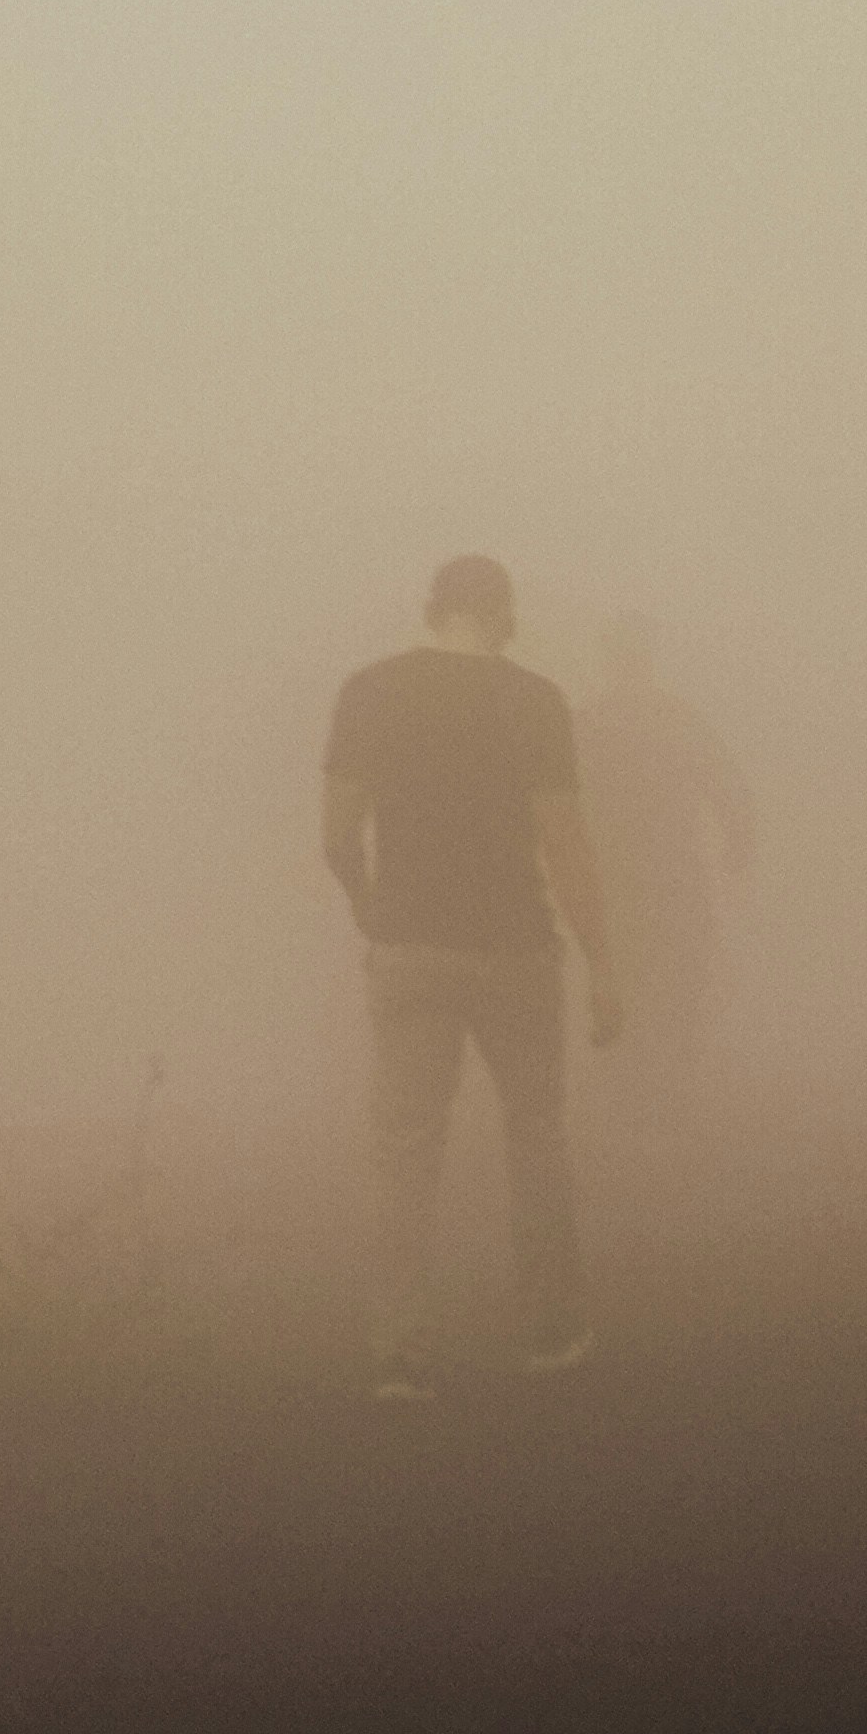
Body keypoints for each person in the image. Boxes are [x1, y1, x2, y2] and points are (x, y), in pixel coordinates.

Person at [322, 555, 620, 1392]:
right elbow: (564, 841)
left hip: (410, 948)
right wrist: (602, 963)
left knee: (406, 1151)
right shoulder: (534, 702)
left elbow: (337, 834)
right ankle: (552, 1334)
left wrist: (369, 909)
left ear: (433, 610)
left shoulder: (368, 692)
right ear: (504, 614)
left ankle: (400, 1354)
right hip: (514, 950)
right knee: (536, 1138)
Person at [574, 617, 756, 1105]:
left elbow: (725, 785)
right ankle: (653, 1081)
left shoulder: (590, 721)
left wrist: (738, 835)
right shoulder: (668, 717)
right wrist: (738, 838)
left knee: (648, 969)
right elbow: (727, 785)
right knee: (671, 970)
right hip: (658, 872)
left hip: (626, 872)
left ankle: (642, 1083)